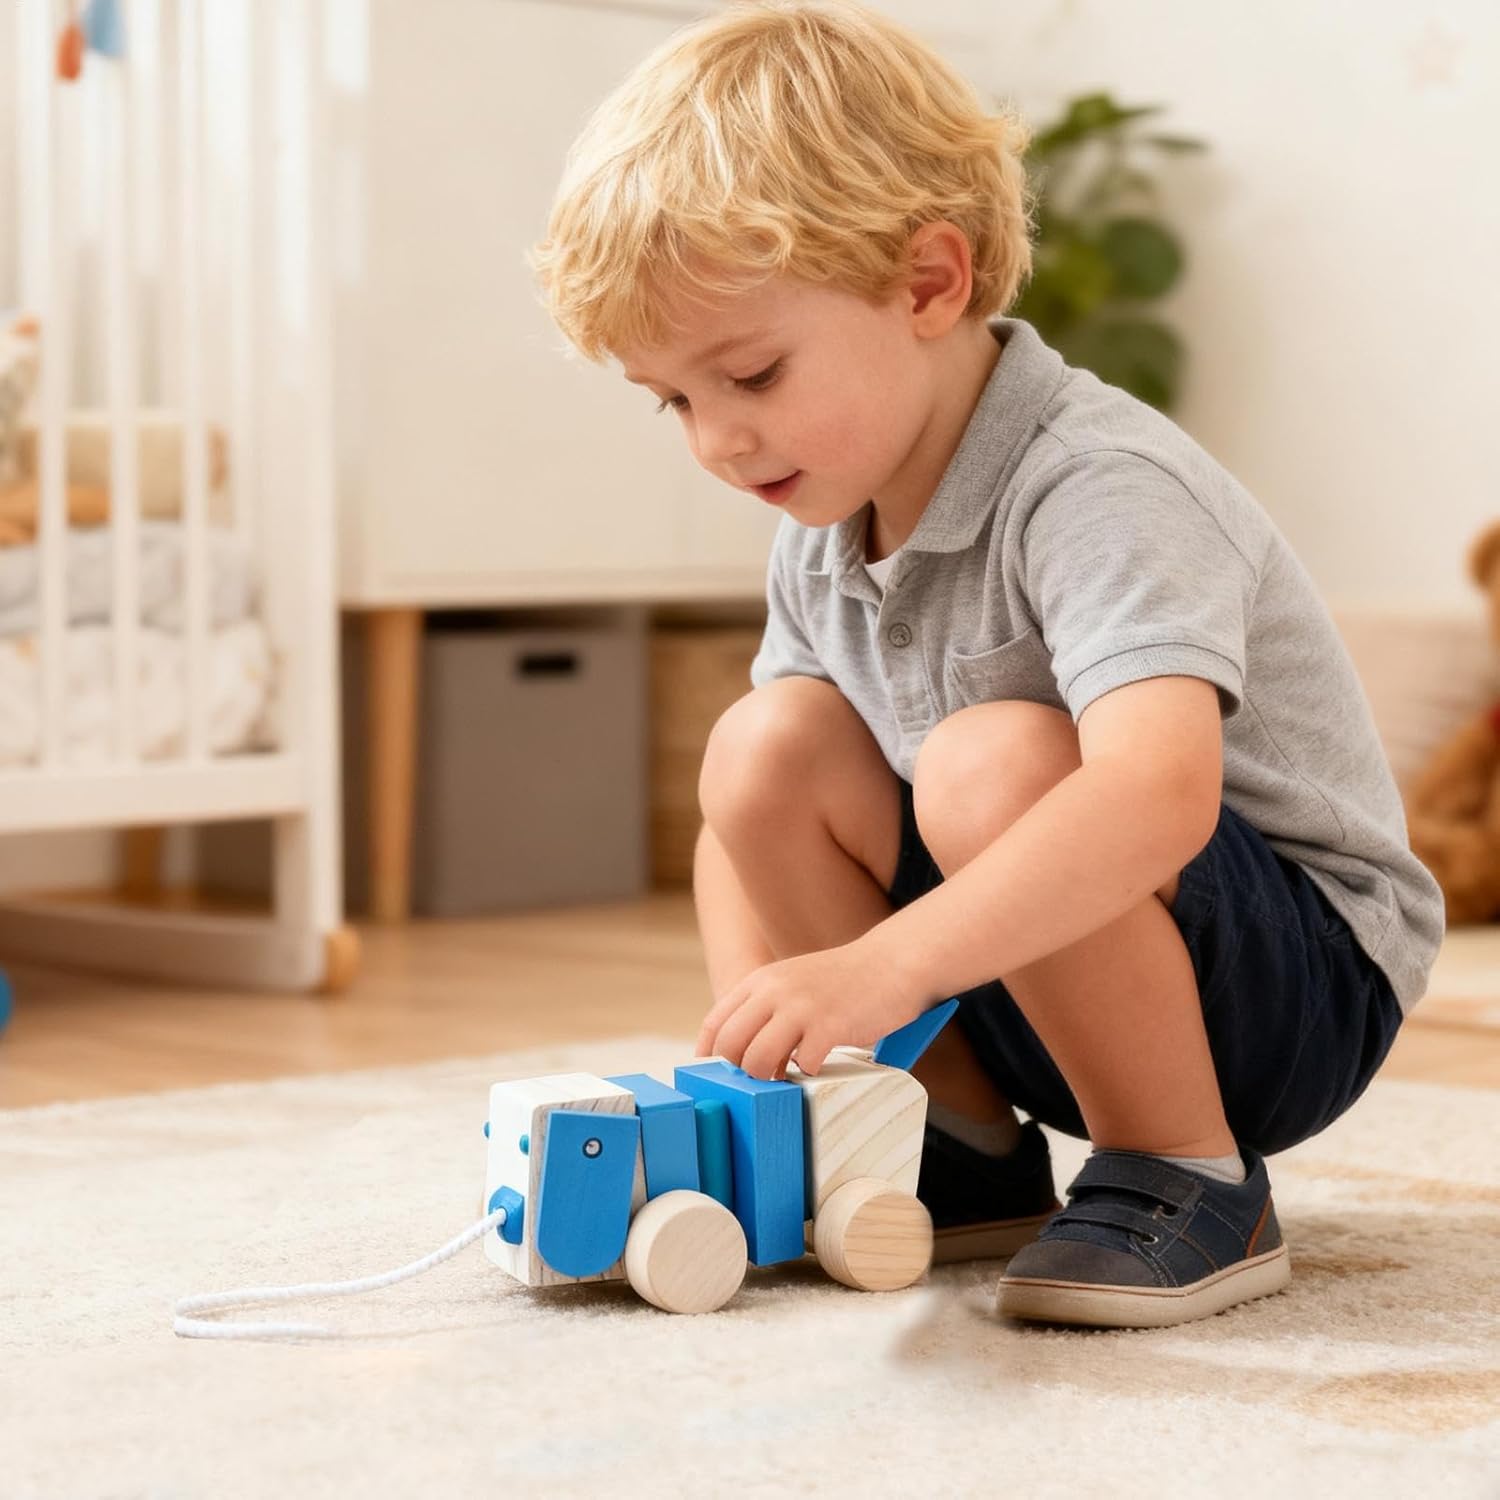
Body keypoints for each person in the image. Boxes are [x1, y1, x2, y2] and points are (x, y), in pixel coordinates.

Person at [529, 0, 1444, 1328]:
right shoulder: (824, 524)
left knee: (989, 758)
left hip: (1292, 988)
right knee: (762, 747)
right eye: (675, 401)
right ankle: (959, 1147)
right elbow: (746, 834)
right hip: (1030, 965)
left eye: (754, 375)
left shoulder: (1099, 483)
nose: (718, 441)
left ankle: (1187, 1171)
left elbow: (1156, 797)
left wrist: (886, 966)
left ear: (928, 285)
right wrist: (766, 1058)